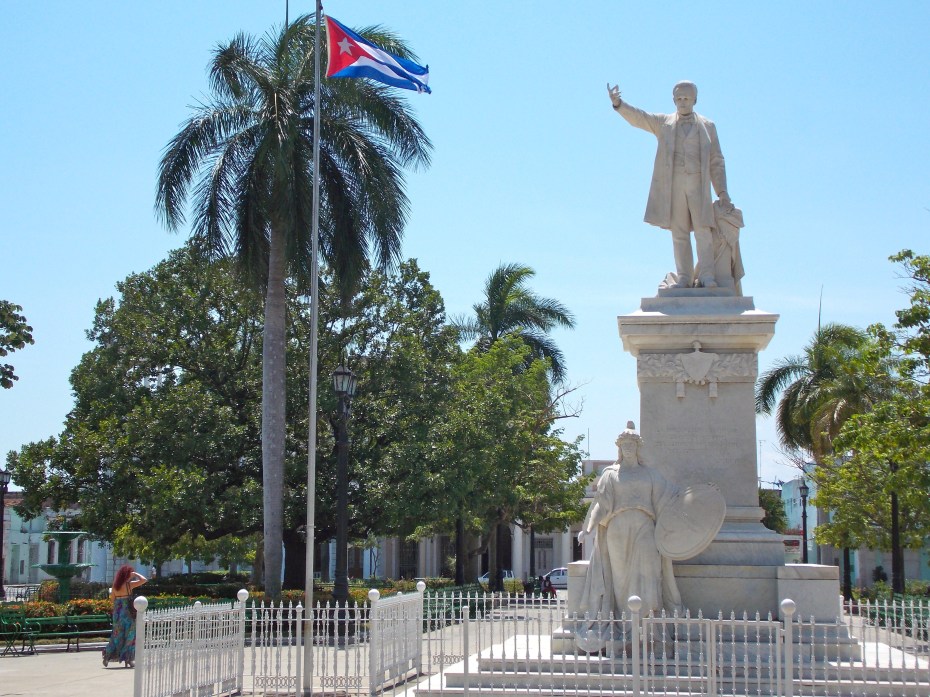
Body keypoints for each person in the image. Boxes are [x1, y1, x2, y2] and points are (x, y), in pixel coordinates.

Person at [608, 81, 734, 290]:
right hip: (673, 184)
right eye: (679, 98)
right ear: (674, 100)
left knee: (704, 229)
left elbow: (716, 161)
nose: (683, 102)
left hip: (697, 184)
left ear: (695, 100)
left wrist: (722, 191)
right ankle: (684, 276)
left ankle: (707, 276)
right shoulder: (663, 123)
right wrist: (619, 104)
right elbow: (640, 118)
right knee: (679, 232)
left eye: (687, 98)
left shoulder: (708, 126)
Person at [575, 422, 682, 651]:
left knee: (649, 574)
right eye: (624, 445)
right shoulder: (610, 474)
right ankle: (624, 628)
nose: (627, 449)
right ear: (619, 449)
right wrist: (588, 528)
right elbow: (600, 505)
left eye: (631, 444)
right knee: (621, 582)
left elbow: (671, 498)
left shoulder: (651, 475)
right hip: (617, 530)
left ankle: (649, 628)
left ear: (638, 447)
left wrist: (698, 498)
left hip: (645, 527)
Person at [103, 565, 147, 668]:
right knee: (130, 636)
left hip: (118, 614)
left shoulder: (115, 586)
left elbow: (112, 600)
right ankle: (128, 659)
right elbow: (144, 580)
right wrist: (135, 574)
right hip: (128, 614)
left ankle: (107, 656)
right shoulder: (129, 585)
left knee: (116, 636)